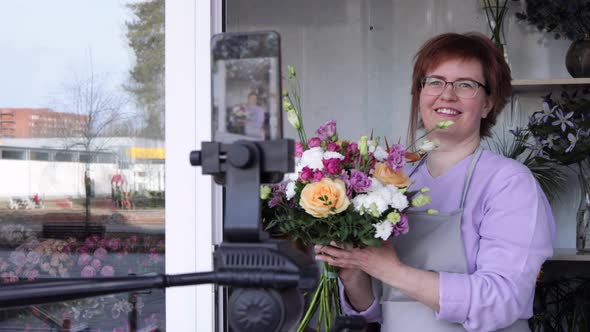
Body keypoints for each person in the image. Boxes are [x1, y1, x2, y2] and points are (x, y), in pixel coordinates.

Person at [314, 32, 555, 331]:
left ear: (488, 103)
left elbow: (502, 301)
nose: (447, 94)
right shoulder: (393, 182)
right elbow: (376, 310)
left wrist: (390, 270)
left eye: (465, 84)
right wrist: (352, 268)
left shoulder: (509, 183)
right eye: (435, 81)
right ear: (420, 93)